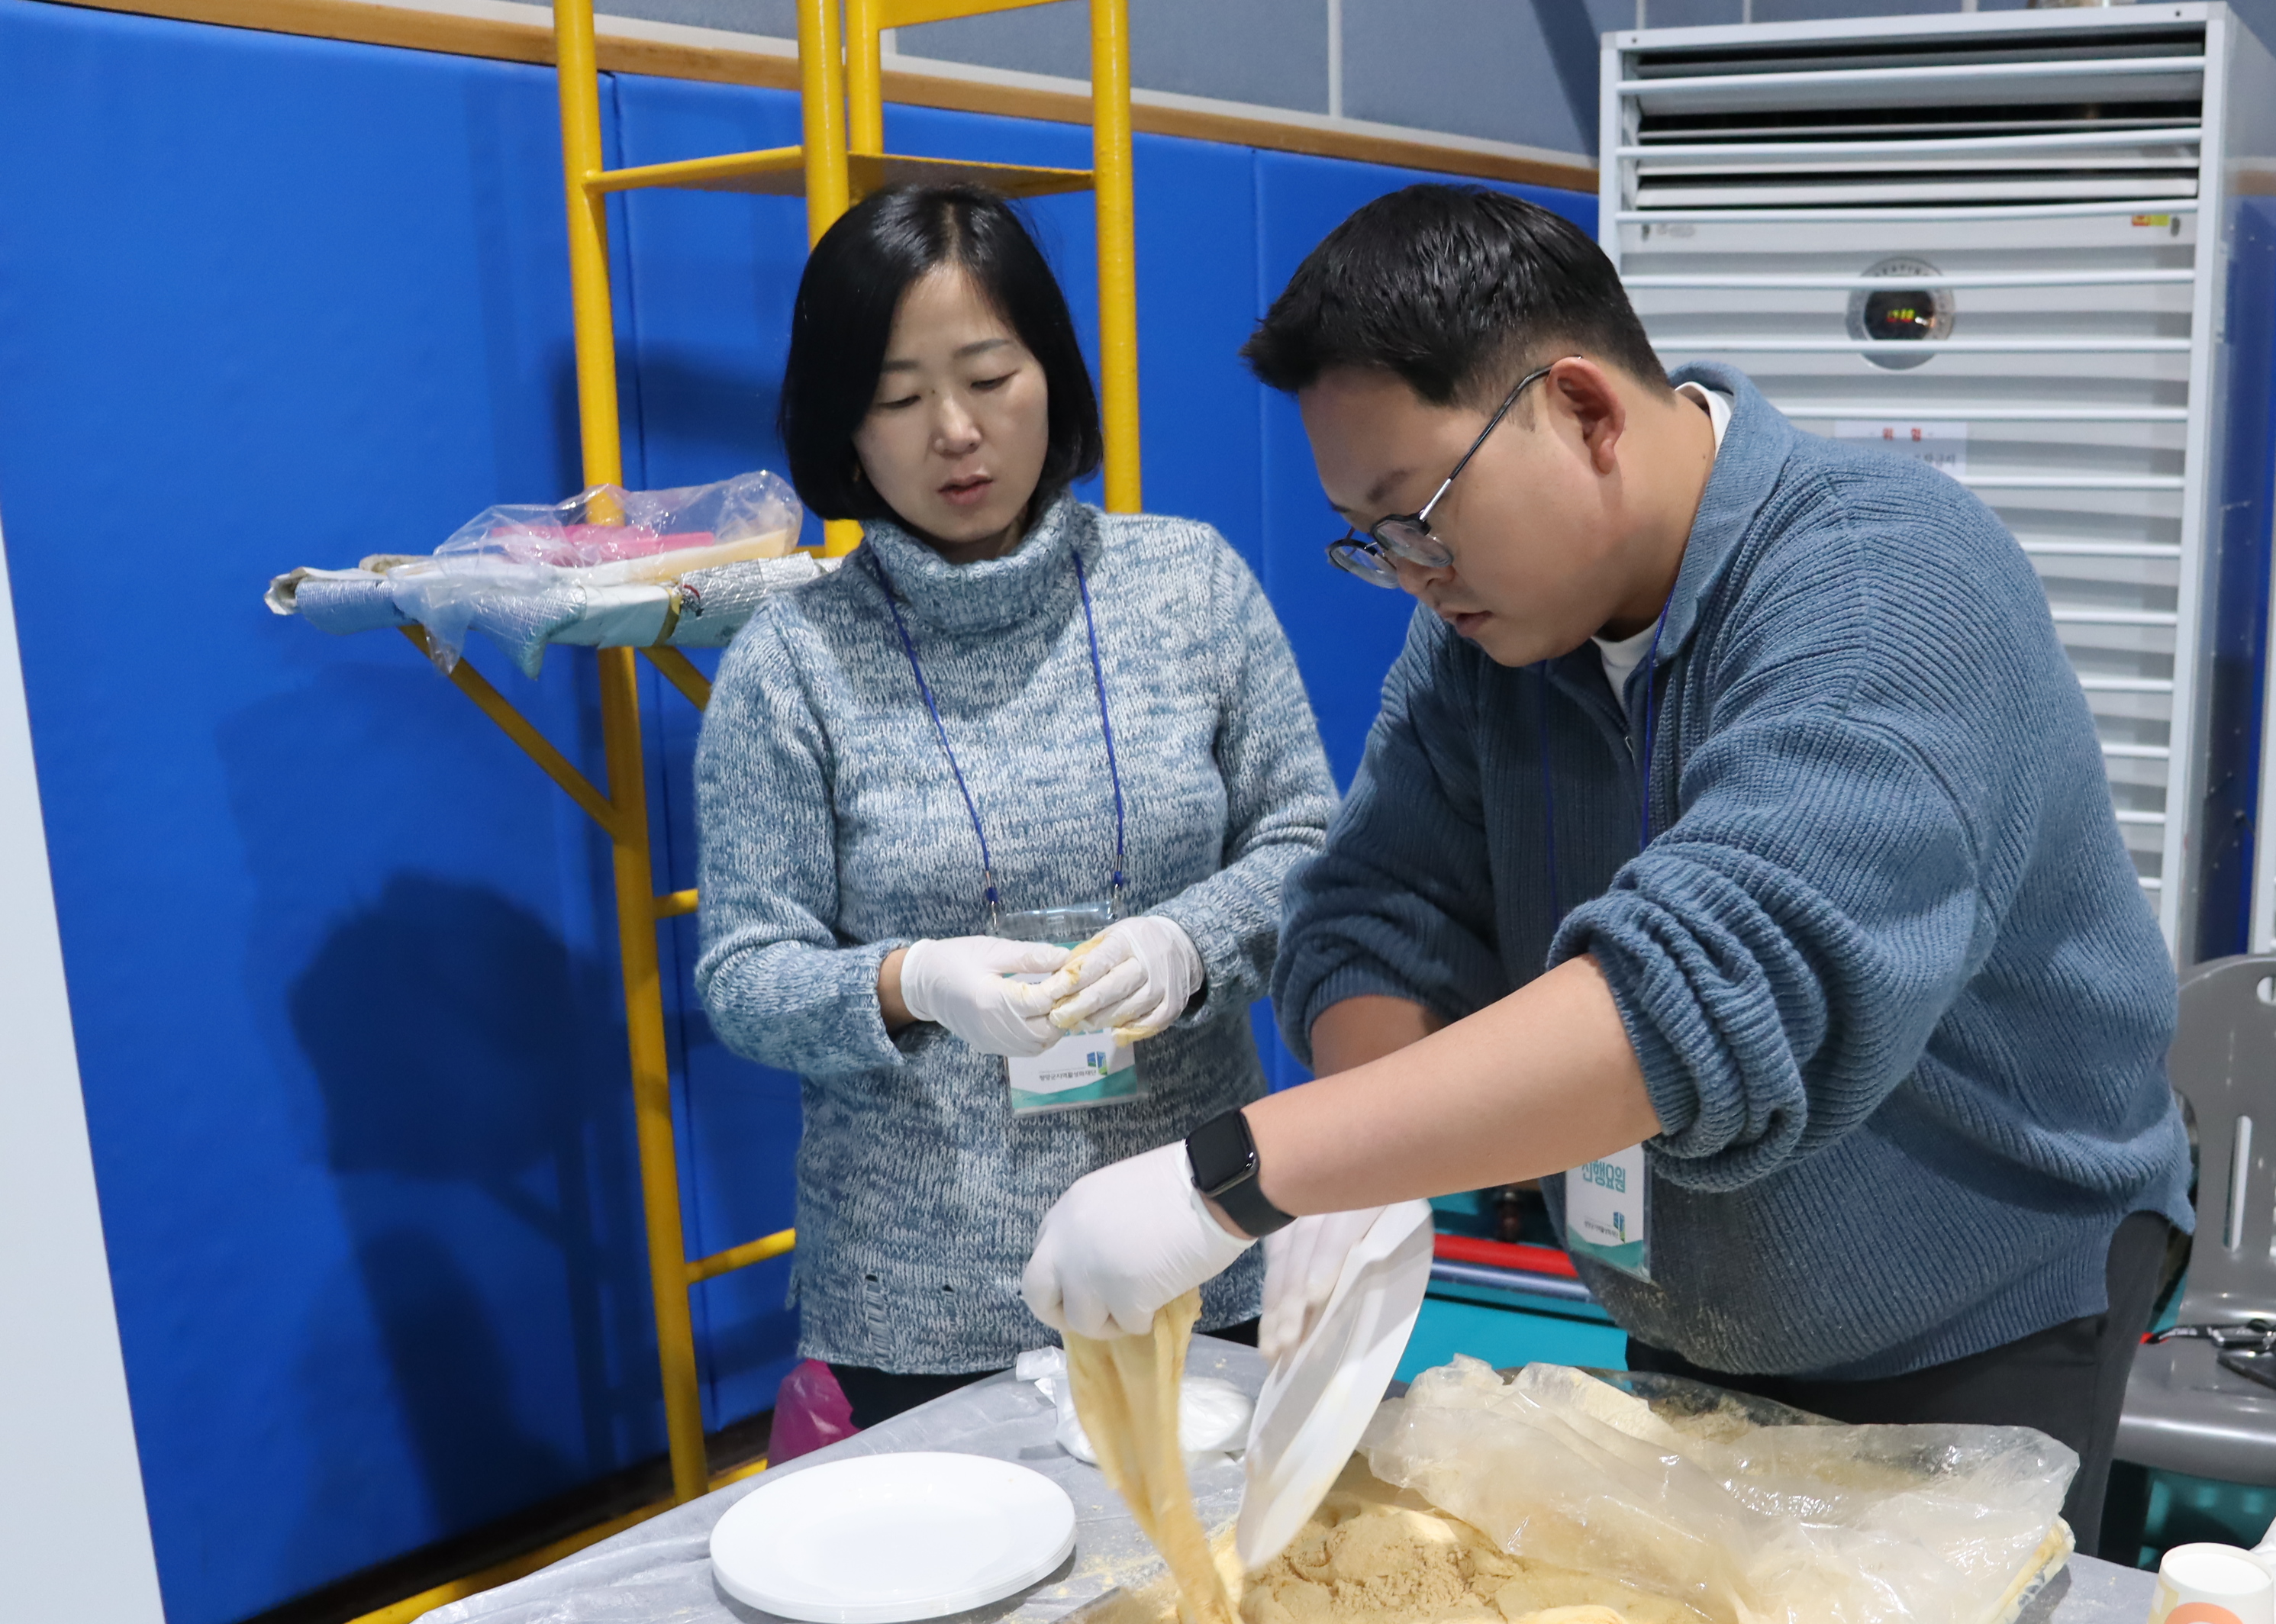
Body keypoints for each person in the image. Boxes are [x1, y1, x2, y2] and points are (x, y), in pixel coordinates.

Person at [1019, 184, 2190, 1552]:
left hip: (1975, 1310)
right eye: (1372, 539)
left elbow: (1704, 999)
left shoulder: (1885, 585)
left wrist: (1240, 1173)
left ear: (1582, 410)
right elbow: (1377, 906)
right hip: (1692, 1298)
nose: (1413, 572)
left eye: (1421, 514)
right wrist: (1367, 1154)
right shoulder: (1489, 637)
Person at [695, 185, 1336, 1443]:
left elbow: (1312, 850)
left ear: (1052, 374)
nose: (956, 432)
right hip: (918, 1308)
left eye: (990, 377)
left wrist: (1191, 943)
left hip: (1196, 1244)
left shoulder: (1190, 585)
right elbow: (745, 974)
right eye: (898, 399)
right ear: (844, 427)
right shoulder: (791, 661)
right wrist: (910, 981)